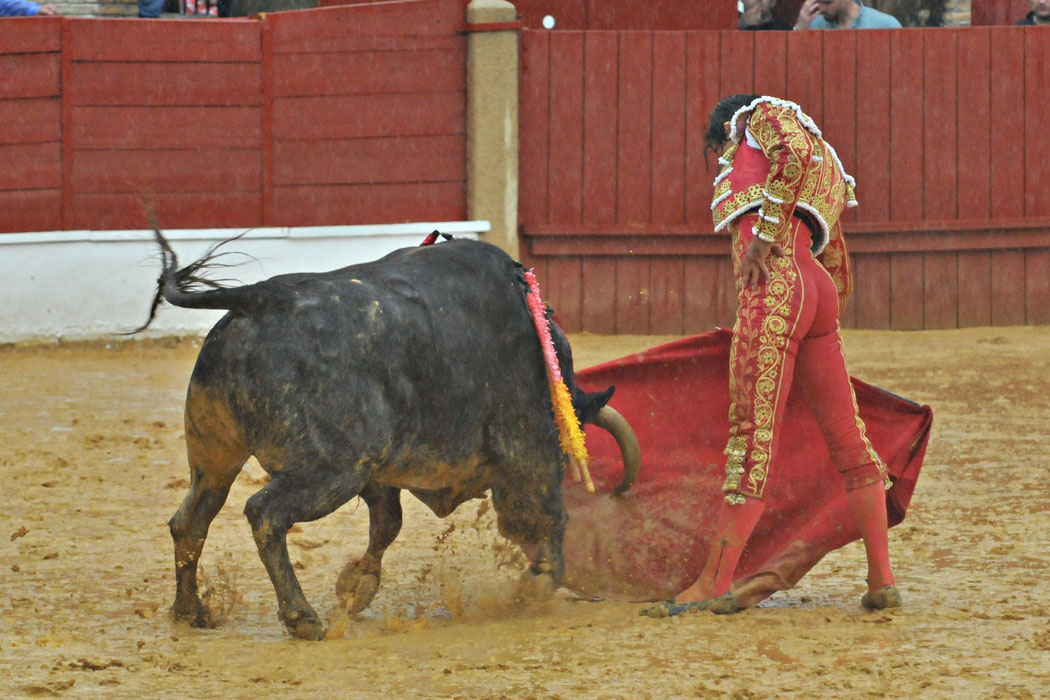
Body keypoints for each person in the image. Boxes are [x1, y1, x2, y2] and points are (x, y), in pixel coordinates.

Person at [642, 94, 901, 617]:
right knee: (849, 442)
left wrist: (763, 239)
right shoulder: (826, 161)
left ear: (725, 131)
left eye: (718, 150)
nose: (721, 159)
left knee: (750, 436)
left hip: (778, 288)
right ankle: (881, 579)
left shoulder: (761, 116)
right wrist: (820, 318)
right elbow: (837, 254)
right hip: (814, 287)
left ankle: (715, 581)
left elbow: (792, 154)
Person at [795, 0, 902, 29]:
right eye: (817, 2)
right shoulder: (811, 24)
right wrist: (800, 29)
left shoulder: (885, 25)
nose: (821, 8)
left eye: (827, 2)